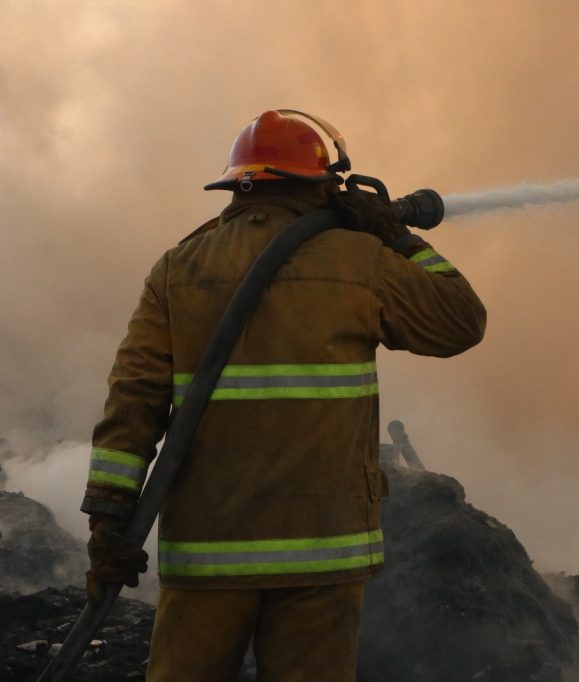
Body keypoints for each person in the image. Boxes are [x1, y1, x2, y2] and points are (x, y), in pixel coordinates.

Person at [79, 110, 486, 681]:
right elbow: (461, 319)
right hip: (323, 549)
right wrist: (397, 236)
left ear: (238, 184)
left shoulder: (177, 269)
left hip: (207, 552)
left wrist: (107, 522)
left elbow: (132, 403)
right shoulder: (361, 260)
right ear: (321, 184)